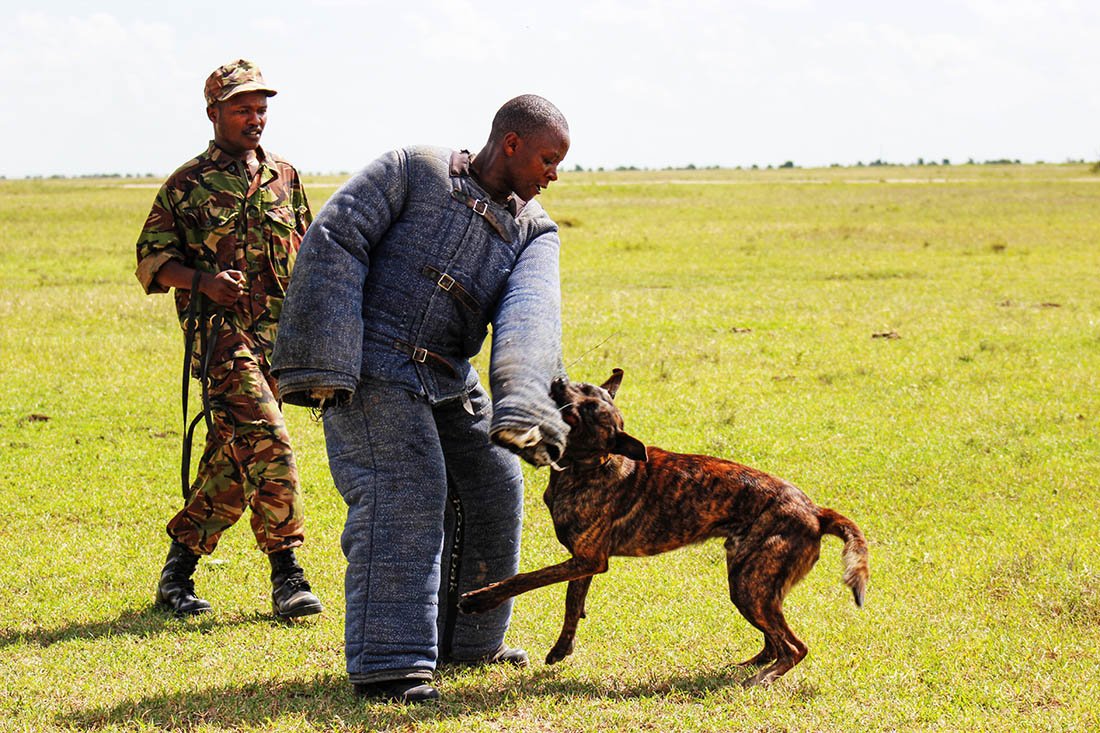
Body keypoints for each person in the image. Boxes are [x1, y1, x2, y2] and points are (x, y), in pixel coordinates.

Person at [271, 95, 572, 703]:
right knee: (405, 491)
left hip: (450, 377)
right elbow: (336, 238)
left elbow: (531, 314)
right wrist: (325, 359)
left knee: (493, 488)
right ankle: (391, 665)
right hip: (373, 364)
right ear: (509, 143)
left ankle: (470, 641)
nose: (553, 174)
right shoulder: (414, 169)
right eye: (547, 158)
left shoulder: (534, 230)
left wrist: (525, 403)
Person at [135, 59, 321, 620]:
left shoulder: (284, 176)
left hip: (278, 344)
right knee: (270, 442)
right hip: (222, 341)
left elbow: (310, 252)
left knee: (233, 461)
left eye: (261, 109)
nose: (254, 118)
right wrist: (203, 283)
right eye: (242, 108)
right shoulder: (186, 184)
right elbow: (151, 260)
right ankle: (288, 574)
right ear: (214, 112)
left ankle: (178, 571)